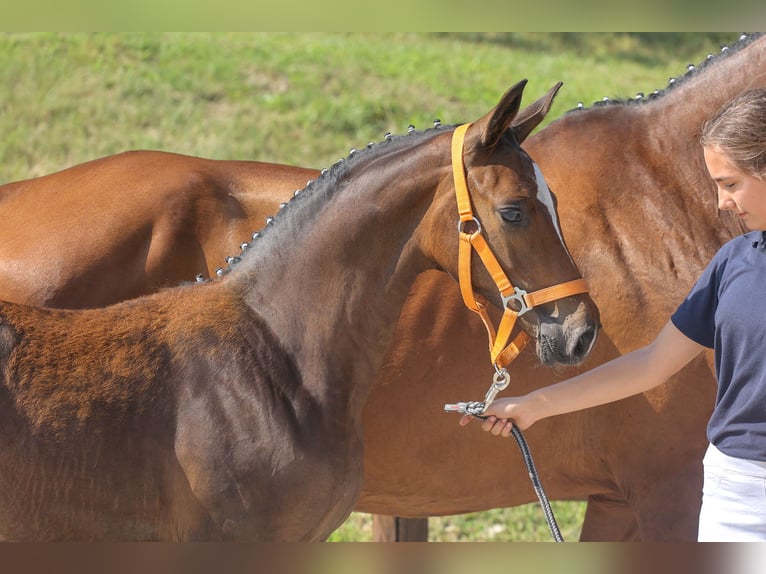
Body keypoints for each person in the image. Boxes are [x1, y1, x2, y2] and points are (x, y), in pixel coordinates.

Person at [459, 88, 766, 542]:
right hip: (738, 493)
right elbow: (652, 363)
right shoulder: (734, 262)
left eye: (730, 183)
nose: (721, 202)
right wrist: (534, 406)